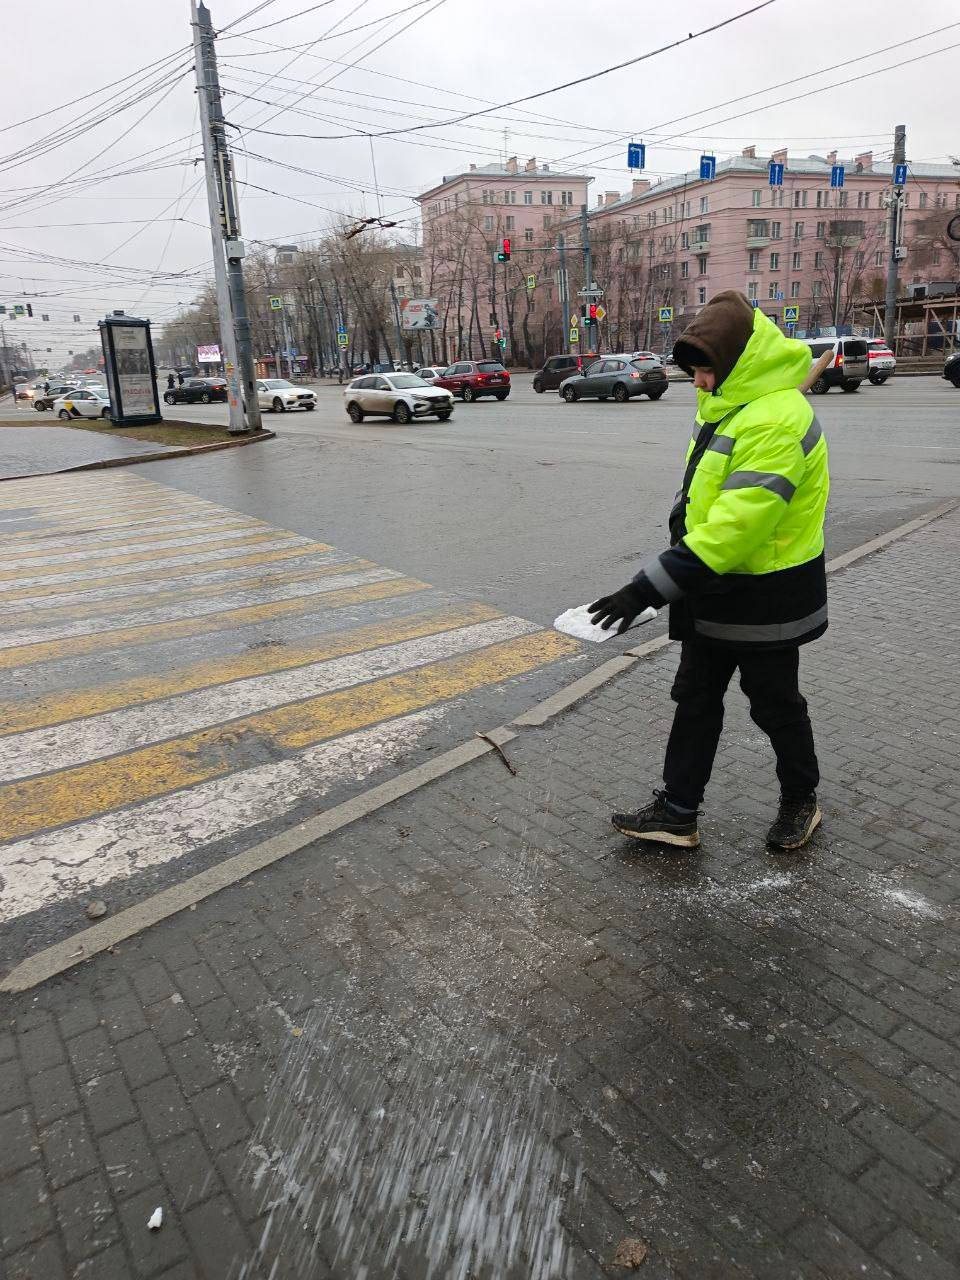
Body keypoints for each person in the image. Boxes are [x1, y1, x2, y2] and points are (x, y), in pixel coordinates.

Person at [589, 290, 829, 852]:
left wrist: (646, 589)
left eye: (705, 371)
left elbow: (737, 526)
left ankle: (801, 799)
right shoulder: (729, 404)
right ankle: (677, 812)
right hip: (708, 587)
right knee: (695, 699)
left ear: (738, 363)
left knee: (775, 706)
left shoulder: (776, 421)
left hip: (764, 594)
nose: (697, 382)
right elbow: (703, 497)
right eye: (693, 371)